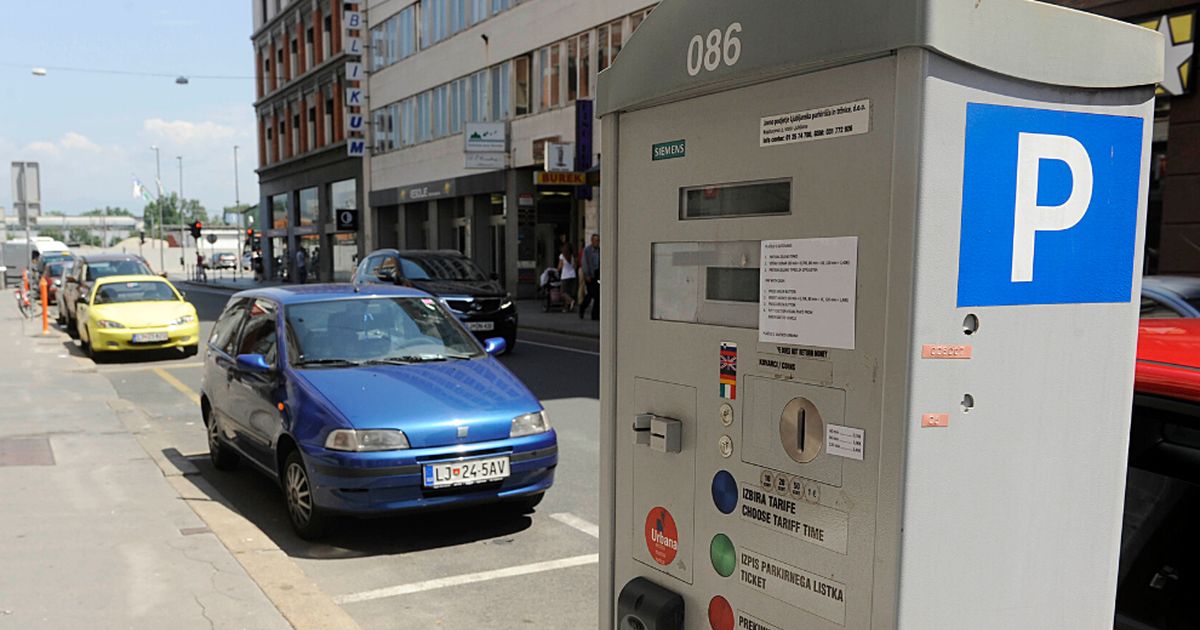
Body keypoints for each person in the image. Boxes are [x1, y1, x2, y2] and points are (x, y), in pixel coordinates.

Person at [579, 233, 600, 320]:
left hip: (597, 274)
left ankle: (595, 315)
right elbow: (584, 263)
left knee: (598, 296)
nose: (597, 242)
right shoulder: (587, 251)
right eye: (596, 240)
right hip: (590, 274)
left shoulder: (600, 250)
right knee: (590, 294)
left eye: (598, 240)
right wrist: (586, 274)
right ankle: (582, 307)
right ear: (592, 241)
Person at [557, 244, 578, 313]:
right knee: (569, 292)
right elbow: (575, 266)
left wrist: (557, 270)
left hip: (565, 276)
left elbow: (560, 266)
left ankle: (571, 301)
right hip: (573, 275)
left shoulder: (562, 256)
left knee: (562, 292)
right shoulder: (572, 256)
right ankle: (567, 307)